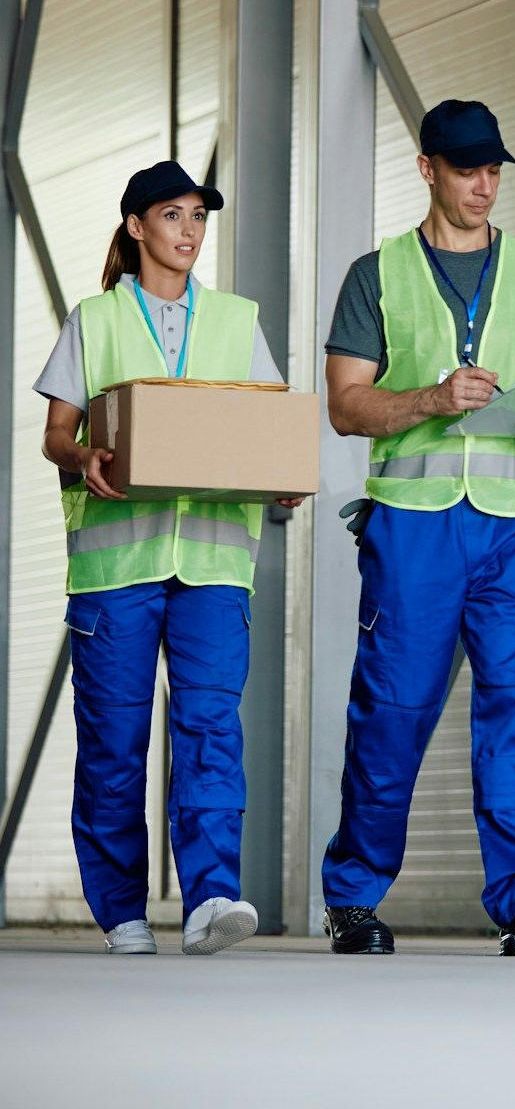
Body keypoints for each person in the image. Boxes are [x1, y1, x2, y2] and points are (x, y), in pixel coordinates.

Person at [321, 99, 515, 956]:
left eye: (494, 170)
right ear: (427, 168)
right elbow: (346, 406)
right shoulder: (376, 275)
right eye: (467, 169)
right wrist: (432, 399)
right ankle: (353, 897)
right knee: (392, 711)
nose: (484, 185)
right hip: (414, 529)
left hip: (513, 526)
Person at [34, 160, 303, 955]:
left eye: (198, 217)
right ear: (136, 226)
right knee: (113, 742)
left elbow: (267, 432)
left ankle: (211, 896)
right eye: (173, 215)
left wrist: (283, 483)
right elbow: (56, 431)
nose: (189, 230)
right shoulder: (96, 318)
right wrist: (79, 456)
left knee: (211, 727)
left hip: (214, 567)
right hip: (116, 572)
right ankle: (121, 912)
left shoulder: (235, 319)